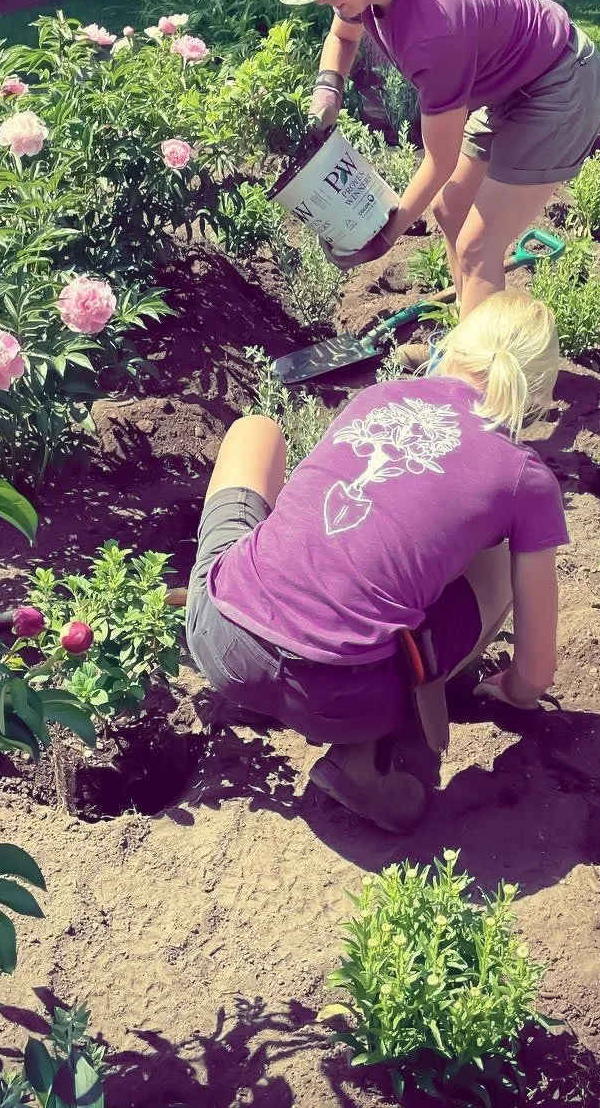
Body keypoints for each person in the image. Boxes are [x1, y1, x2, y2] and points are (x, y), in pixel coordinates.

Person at [185, 290, 568, 832]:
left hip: (222, 638)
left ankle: (251, 677)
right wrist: (512, 690)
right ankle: (371, 756)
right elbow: (535, 674)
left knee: (256, 432)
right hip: (346, 698)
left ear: (451, 346)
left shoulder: (380, 396)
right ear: (539, 389)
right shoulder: (524, 478)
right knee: (508, 550)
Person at [279, 0, 600, 319]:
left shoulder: (433, 32)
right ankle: (469, 328)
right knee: (450, 209)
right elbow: (343, 39)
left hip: (561, 84)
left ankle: (479, 376)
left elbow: (440, 160)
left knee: (477, 248)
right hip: (517, 80)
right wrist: (328, 91)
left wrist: (384, 236)